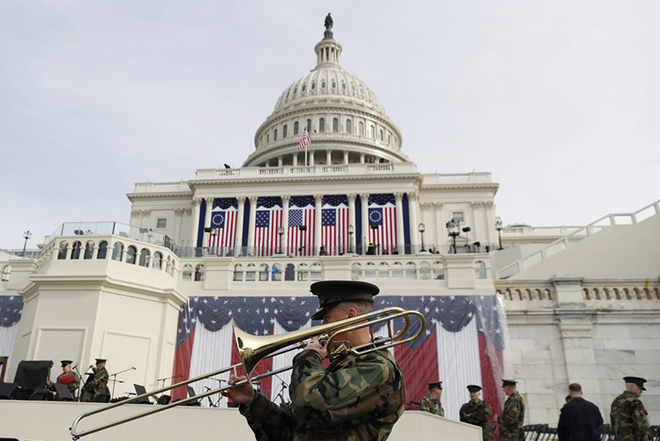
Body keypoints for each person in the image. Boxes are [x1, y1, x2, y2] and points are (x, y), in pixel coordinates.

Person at [222, 280, 406, 441]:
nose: (322, 328)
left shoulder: (378, 367)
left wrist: (308, 356)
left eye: (327, 319)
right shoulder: (344, 363)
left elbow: (310, 404)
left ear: (351, 314)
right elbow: (295, 432)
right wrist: (252, 401)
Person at [610, 376, 652, 441]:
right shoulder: (634, 402)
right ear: (632, 387)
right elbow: (642, 426)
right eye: (640, 388)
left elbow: (613, 424)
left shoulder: (616, 401)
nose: (641, 391)